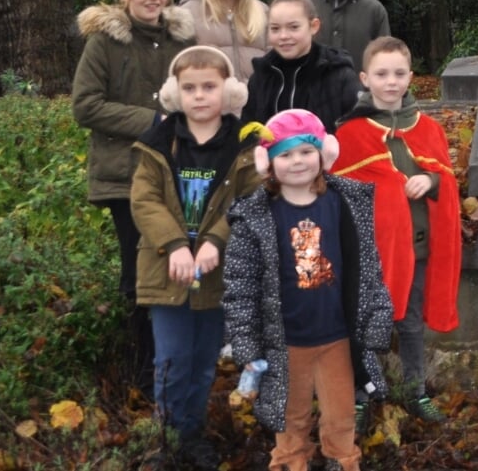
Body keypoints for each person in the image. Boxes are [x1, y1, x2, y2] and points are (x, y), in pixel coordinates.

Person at [222, 109, 393, 471]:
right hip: (286, 343)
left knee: (341, 418)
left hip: (338, 339)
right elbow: (240, 286)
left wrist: (377, 320)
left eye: (305, 152)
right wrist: (247, 345)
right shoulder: (255, 217)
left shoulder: (345, 204)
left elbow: (368, 270)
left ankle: (342, 461)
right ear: (267, 162)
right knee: (290, 420)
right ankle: (289, 463)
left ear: (324, 154)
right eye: (284, 154)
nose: (296, 162)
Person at [130, 46, 260, 470]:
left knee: (204, 362)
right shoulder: (158, 142)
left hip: (216, 272)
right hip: (166, 268)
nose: (200, 96)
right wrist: (174, 244)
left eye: (210, 87)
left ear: (230, 92)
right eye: (190, 88)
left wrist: (216, 241)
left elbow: (248, 201)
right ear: (174, 93)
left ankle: (192, 433)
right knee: (170, 360)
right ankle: (165, 438)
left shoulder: (242, 146)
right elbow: (145, 200)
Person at [72, 0, 196, 390]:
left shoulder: (183, 41)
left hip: (177, 176)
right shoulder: (104, 42)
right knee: (138, 272)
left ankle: (173, 366)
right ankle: (141, 372)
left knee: (177, 268)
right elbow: (85, 105)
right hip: (124, 177)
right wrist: (152, 121)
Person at [332, 37, 460, 423]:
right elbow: (339, 192)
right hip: (369, 253)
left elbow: (447, 178)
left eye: (399, 73)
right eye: (382, 74)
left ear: (411, 77)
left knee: (410, 323)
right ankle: (358, 393)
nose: (391, 82)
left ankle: (414, 391)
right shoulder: (349, 134)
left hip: (416, 246)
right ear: (365, 78)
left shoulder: (429, 129)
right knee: (364, 322)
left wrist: (431, 182)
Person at [244, 0, 363, 128]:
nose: (283, 36)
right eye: (275, 29)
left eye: (293, 27)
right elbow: (249, 129)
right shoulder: (261, 76)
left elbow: (356, 129)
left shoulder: (338, 73)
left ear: (313, 26)